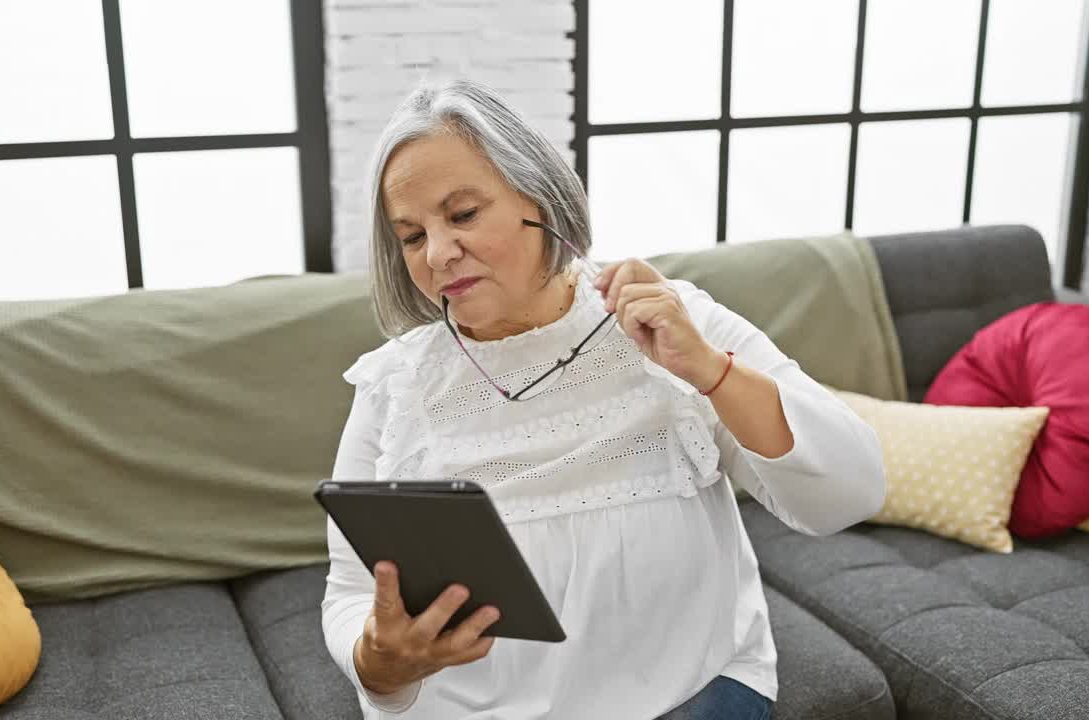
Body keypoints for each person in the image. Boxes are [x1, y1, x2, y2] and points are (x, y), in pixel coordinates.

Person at [322, 79, 886, 720]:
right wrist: (378, 664)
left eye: (462, 214)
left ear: (539, 198)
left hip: (689, 693)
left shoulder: (673, 321)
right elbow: (348, 593)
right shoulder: (394, 384)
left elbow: (851, 491)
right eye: (412, 236)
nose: (440, 254)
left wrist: (707, 370)